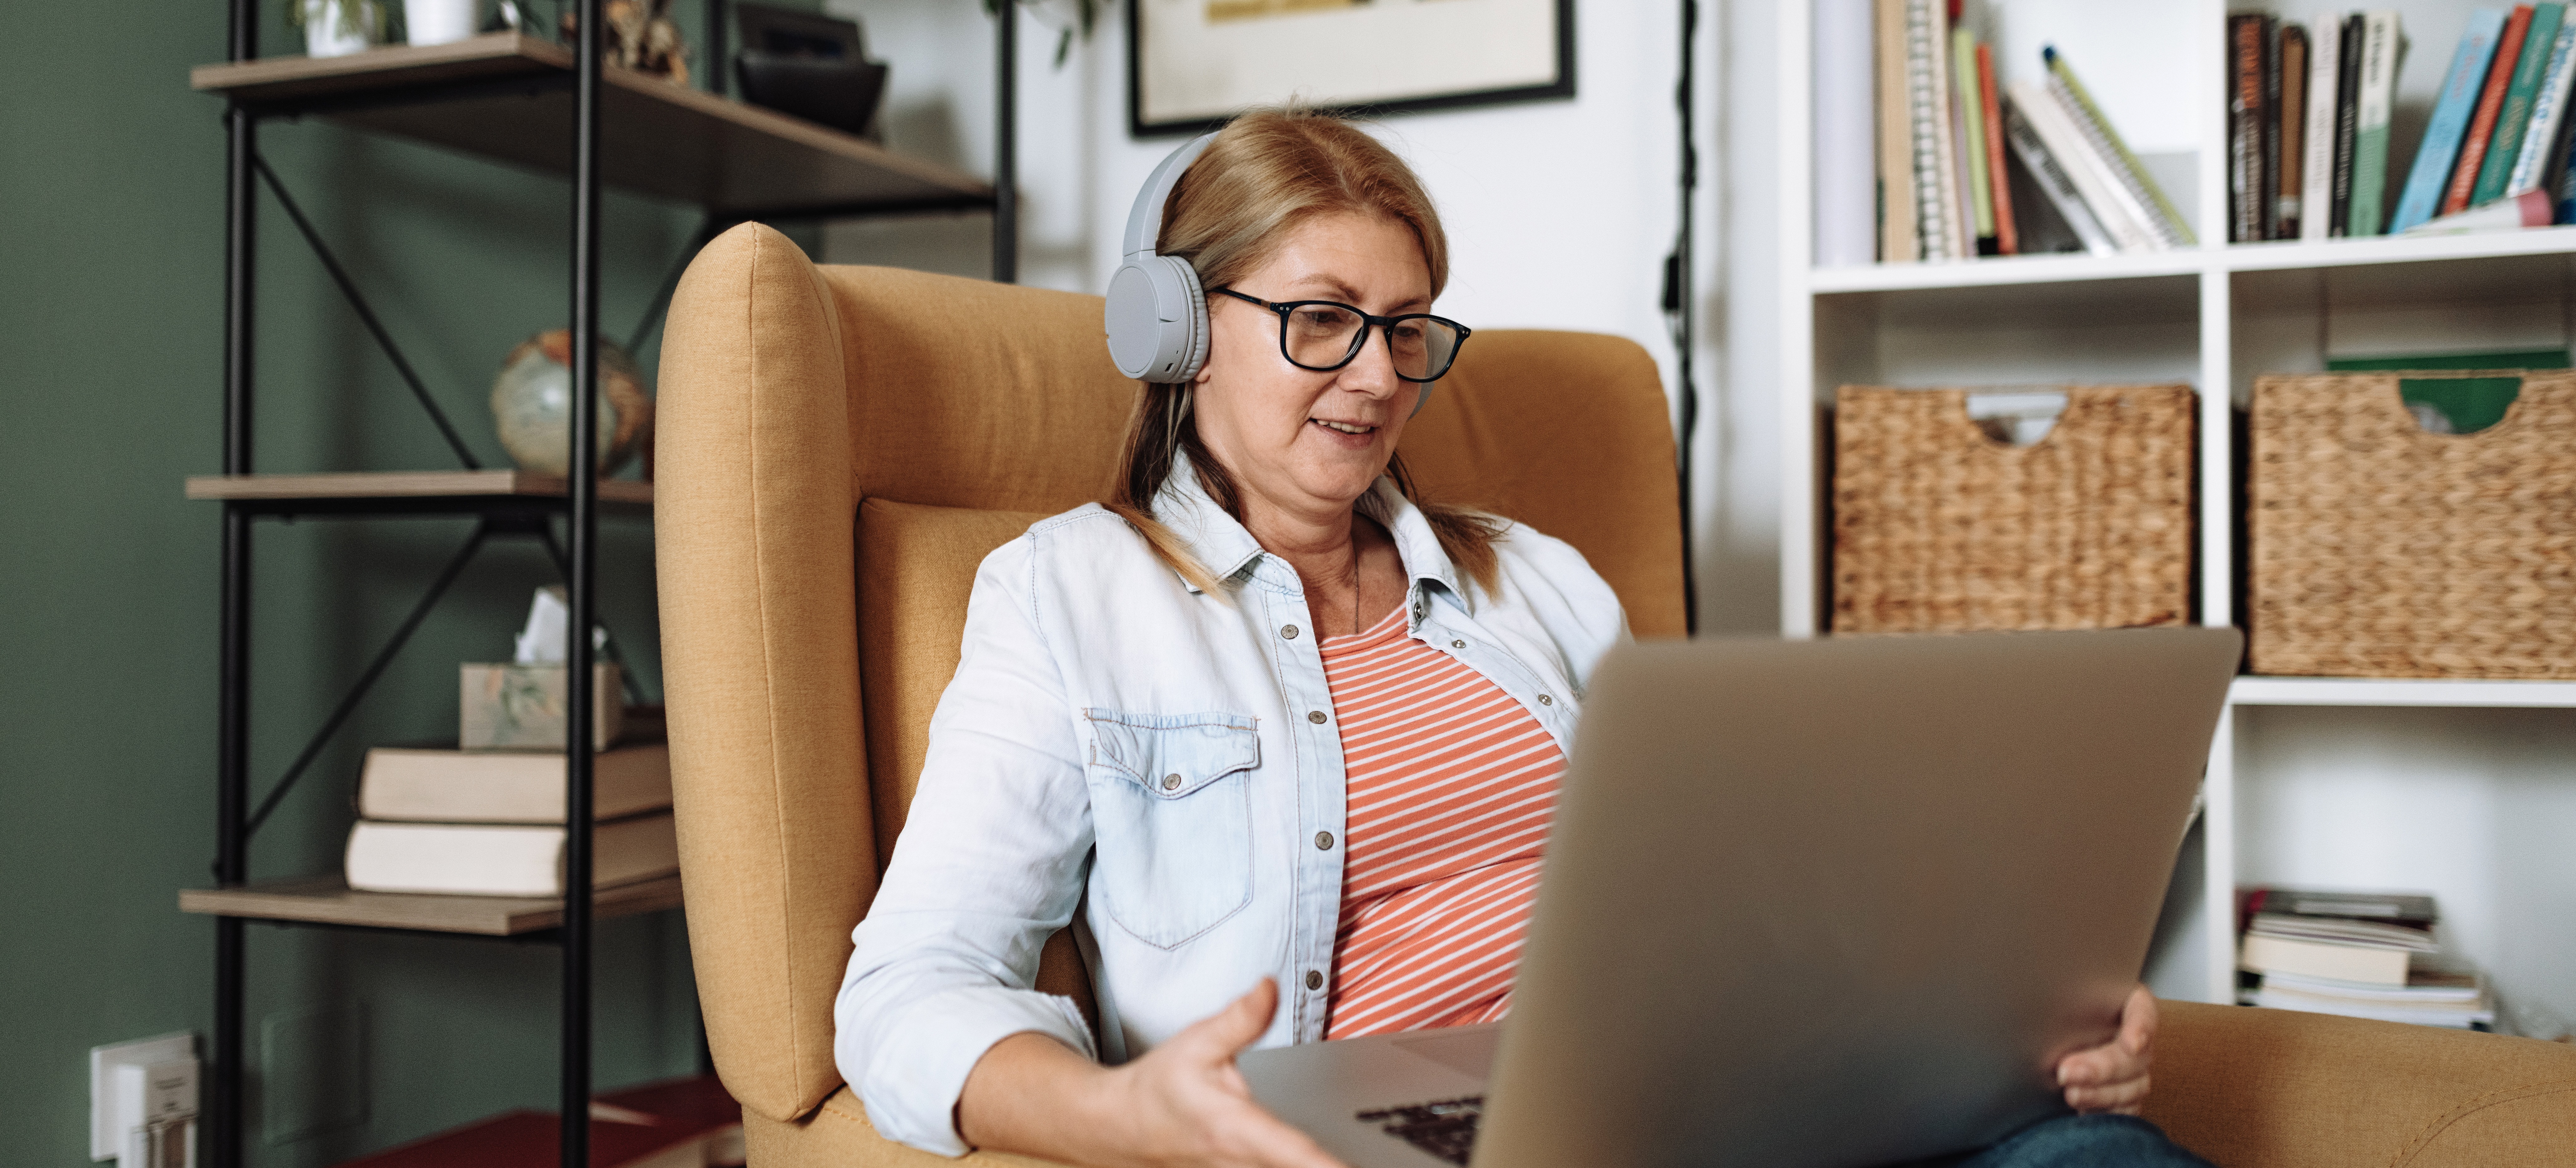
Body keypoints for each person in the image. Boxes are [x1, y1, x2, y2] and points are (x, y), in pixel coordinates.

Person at [834, 108, 2207, 1168]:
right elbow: (909, 990)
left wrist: (2008, 1012)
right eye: (1321, 323)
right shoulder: (1068, 598)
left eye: (1407, 330)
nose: (1377, 378)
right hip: (1420, 1137)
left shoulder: (1537, 583)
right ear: (1175, 329)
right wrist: (1125, 1114)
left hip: (1697, 1099)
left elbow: (1754, 891)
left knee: (2097, 1154)